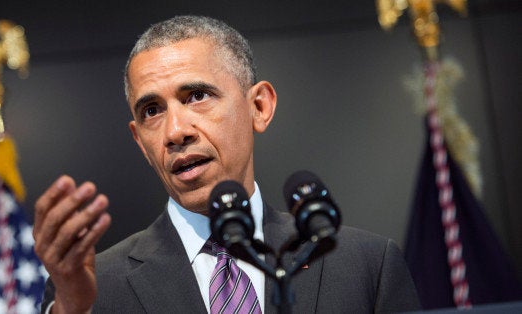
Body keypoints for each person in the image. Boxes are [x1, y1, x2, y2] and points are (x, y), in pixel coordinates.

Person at [34, 15, 421, 313]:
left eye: (197, 95)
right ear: (140, 141)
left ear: (259, 107)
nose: (175, 131)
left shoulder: (366, 265)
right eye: (152, 110)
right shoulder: (91, 289)